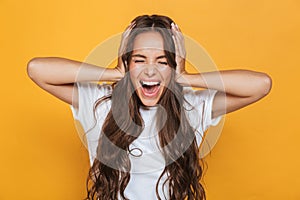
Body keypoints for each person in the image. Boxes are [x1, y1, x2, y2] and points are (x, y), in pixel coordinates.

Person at [27, 14, 272, 200]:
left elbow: (260, 85)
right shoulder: (101, 104)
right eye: (139, 59)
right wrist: (114, 72)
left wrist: (187, 78)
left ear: (174, 66)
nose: (150, 70)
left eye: (163, 61)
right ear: (128, 63)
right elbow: (37, 69)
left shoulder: (191, 107)